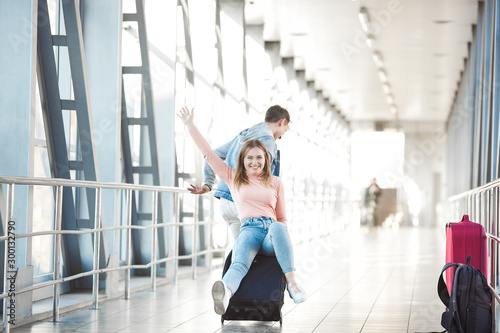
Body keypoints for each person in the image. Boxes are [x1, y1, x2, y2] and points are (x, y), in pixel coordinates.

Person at [177, 106, 307, 316]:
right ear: (243, 161)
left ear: (266, 159)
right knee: (239, 263)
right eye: (250, 158)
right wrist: (190, 125)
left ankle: (293, 284)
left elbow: (281, 218)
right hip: (249, 229)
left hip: (270, 234)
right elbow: (209, 154)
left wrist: (280, 235)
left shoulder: (275, 182)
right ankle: (225, 294)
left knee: (278, 226)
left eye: (259, 158)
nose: (254, 162)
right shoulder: (233, 178)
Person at [187, 105, 290, 240]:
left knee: (240, 248)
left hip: (225, 202)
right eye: (284, 131)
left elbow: (212, 155)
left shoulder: (241, 136)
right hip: (244, 203)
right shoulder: (268, 141)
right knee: (257, 250)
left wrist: (208, 183)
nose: (281, 136)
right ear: (282, 122)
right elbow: (265, 179)